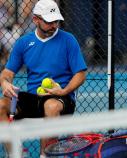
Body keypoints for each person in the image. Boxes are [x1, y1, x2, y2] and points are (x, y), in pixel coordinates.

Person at [0, 0, 87, 157]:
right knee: (0, 105)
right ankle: (14, 153)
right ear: (35, 19)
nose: (54, 25)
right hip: (33, 99)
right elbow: (7, 72)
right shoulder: (23, 43)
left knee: (51, 106)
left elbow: (81, 74)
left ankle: (45, 155)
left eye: (56, 21)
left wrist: (63, 91)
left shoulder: (69, 40)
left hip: (61, 98)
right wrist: (5, 83)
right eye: (49, 21)